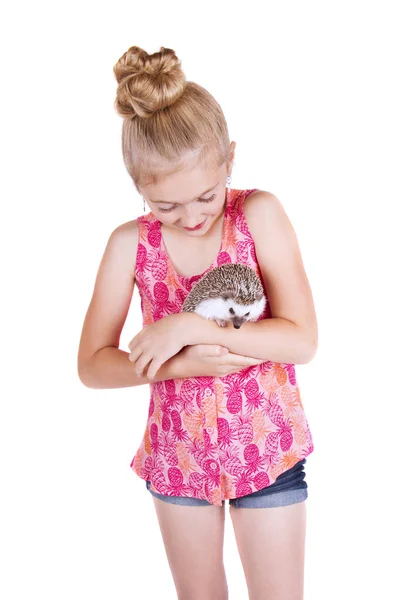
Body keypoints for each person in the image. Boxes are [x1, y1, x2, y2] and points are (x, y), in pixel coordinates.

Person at [78, 44, 318, 600]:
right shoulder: (128, 246)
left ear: (230, 158)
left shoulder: (258, 215)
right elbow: (92, 365)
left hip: (268, 450)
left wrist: (190, 327)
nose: (190, 217)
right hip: (176, 456)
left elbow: (302, 339)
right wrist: (180, 365)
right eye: (165, 205)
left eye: (206, 196)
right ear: (139, 187)